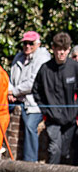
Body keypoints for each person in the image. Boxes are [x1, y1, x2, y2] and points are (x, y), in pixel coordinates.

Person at [32, 32, 78, 165]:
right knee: (54, 149)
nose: (61, 53)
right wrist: (45, 110)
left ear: (69, 50)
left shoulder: (74, 67)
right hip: (52, 118)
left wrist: (76, 112)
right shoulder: (45, 69)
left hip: (70, 119)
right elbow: (36, 91)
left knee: (66, 151)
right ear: (53, 49)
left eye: (65, 49)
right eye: (59, 49)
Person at [9, 31, 50, 162]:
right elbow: (10, 78)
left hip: (35, 102)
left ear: (38, 44)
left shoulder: (42, 58)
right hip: (17, 98)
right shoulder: (18, 57)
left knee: (30, 125)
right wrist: (10, 92)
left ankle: (30, 161)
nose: (27, 46)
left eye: (31, 43)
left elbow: (33, 83)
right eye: (25, 43)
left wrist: (15, 92)